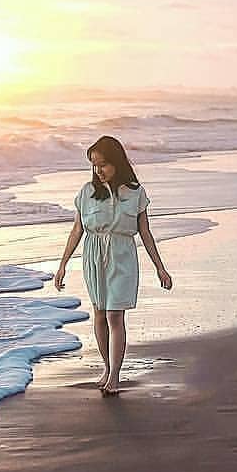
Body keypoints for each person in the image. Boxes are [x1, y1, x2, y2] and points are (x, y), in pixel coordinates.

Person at [54, 134, 172, 396]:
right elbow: (77, 230)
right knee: (99, 314)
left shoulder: (137, 193)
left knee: (114, 315)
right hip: (93, 255)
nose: (99, 170)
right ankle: (108, 367)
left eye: (104, 164)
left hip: (122, 255)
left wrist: (160, 268)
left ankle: (115, 376)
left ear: (117, 162)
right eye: (95, 165)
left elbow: (145, 232)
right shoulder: (87, 192)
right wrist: (62, 265)